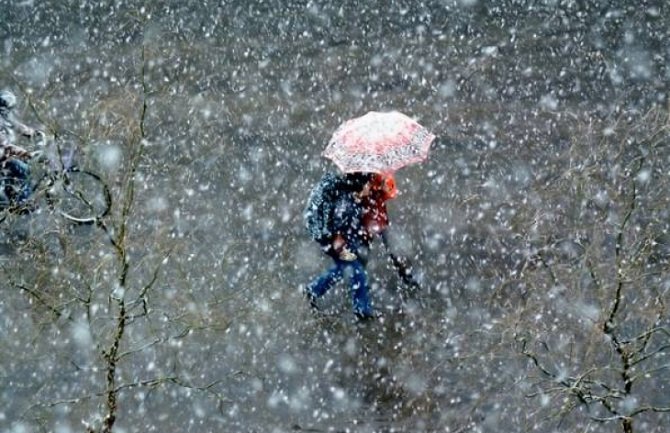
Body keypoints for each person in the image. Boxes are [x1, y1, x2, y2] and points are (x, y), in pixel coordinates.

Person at [303, 171, 398, 320]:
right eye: (367, 184)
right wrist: (337, 238)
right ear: (360, 185)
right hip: (335, 244)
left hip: (343, 243)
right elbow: (337, 223)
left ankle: (313, 290)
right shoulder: (346, 202)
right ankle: (362, 310)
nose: (369, 187)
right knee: (357, 271)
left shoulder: (355, 198)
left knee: (345, 268)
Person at [0, 89, 42, 205]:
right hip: (2, 157)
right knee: (23, 169)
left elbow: (15, 124)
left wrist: (32, 133)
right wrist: (24, 153)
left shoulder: (3, 117)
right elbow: (5, 146)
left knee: (14, 171)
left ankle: (13, 198)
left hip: (3, 156)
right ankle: (22, 203)